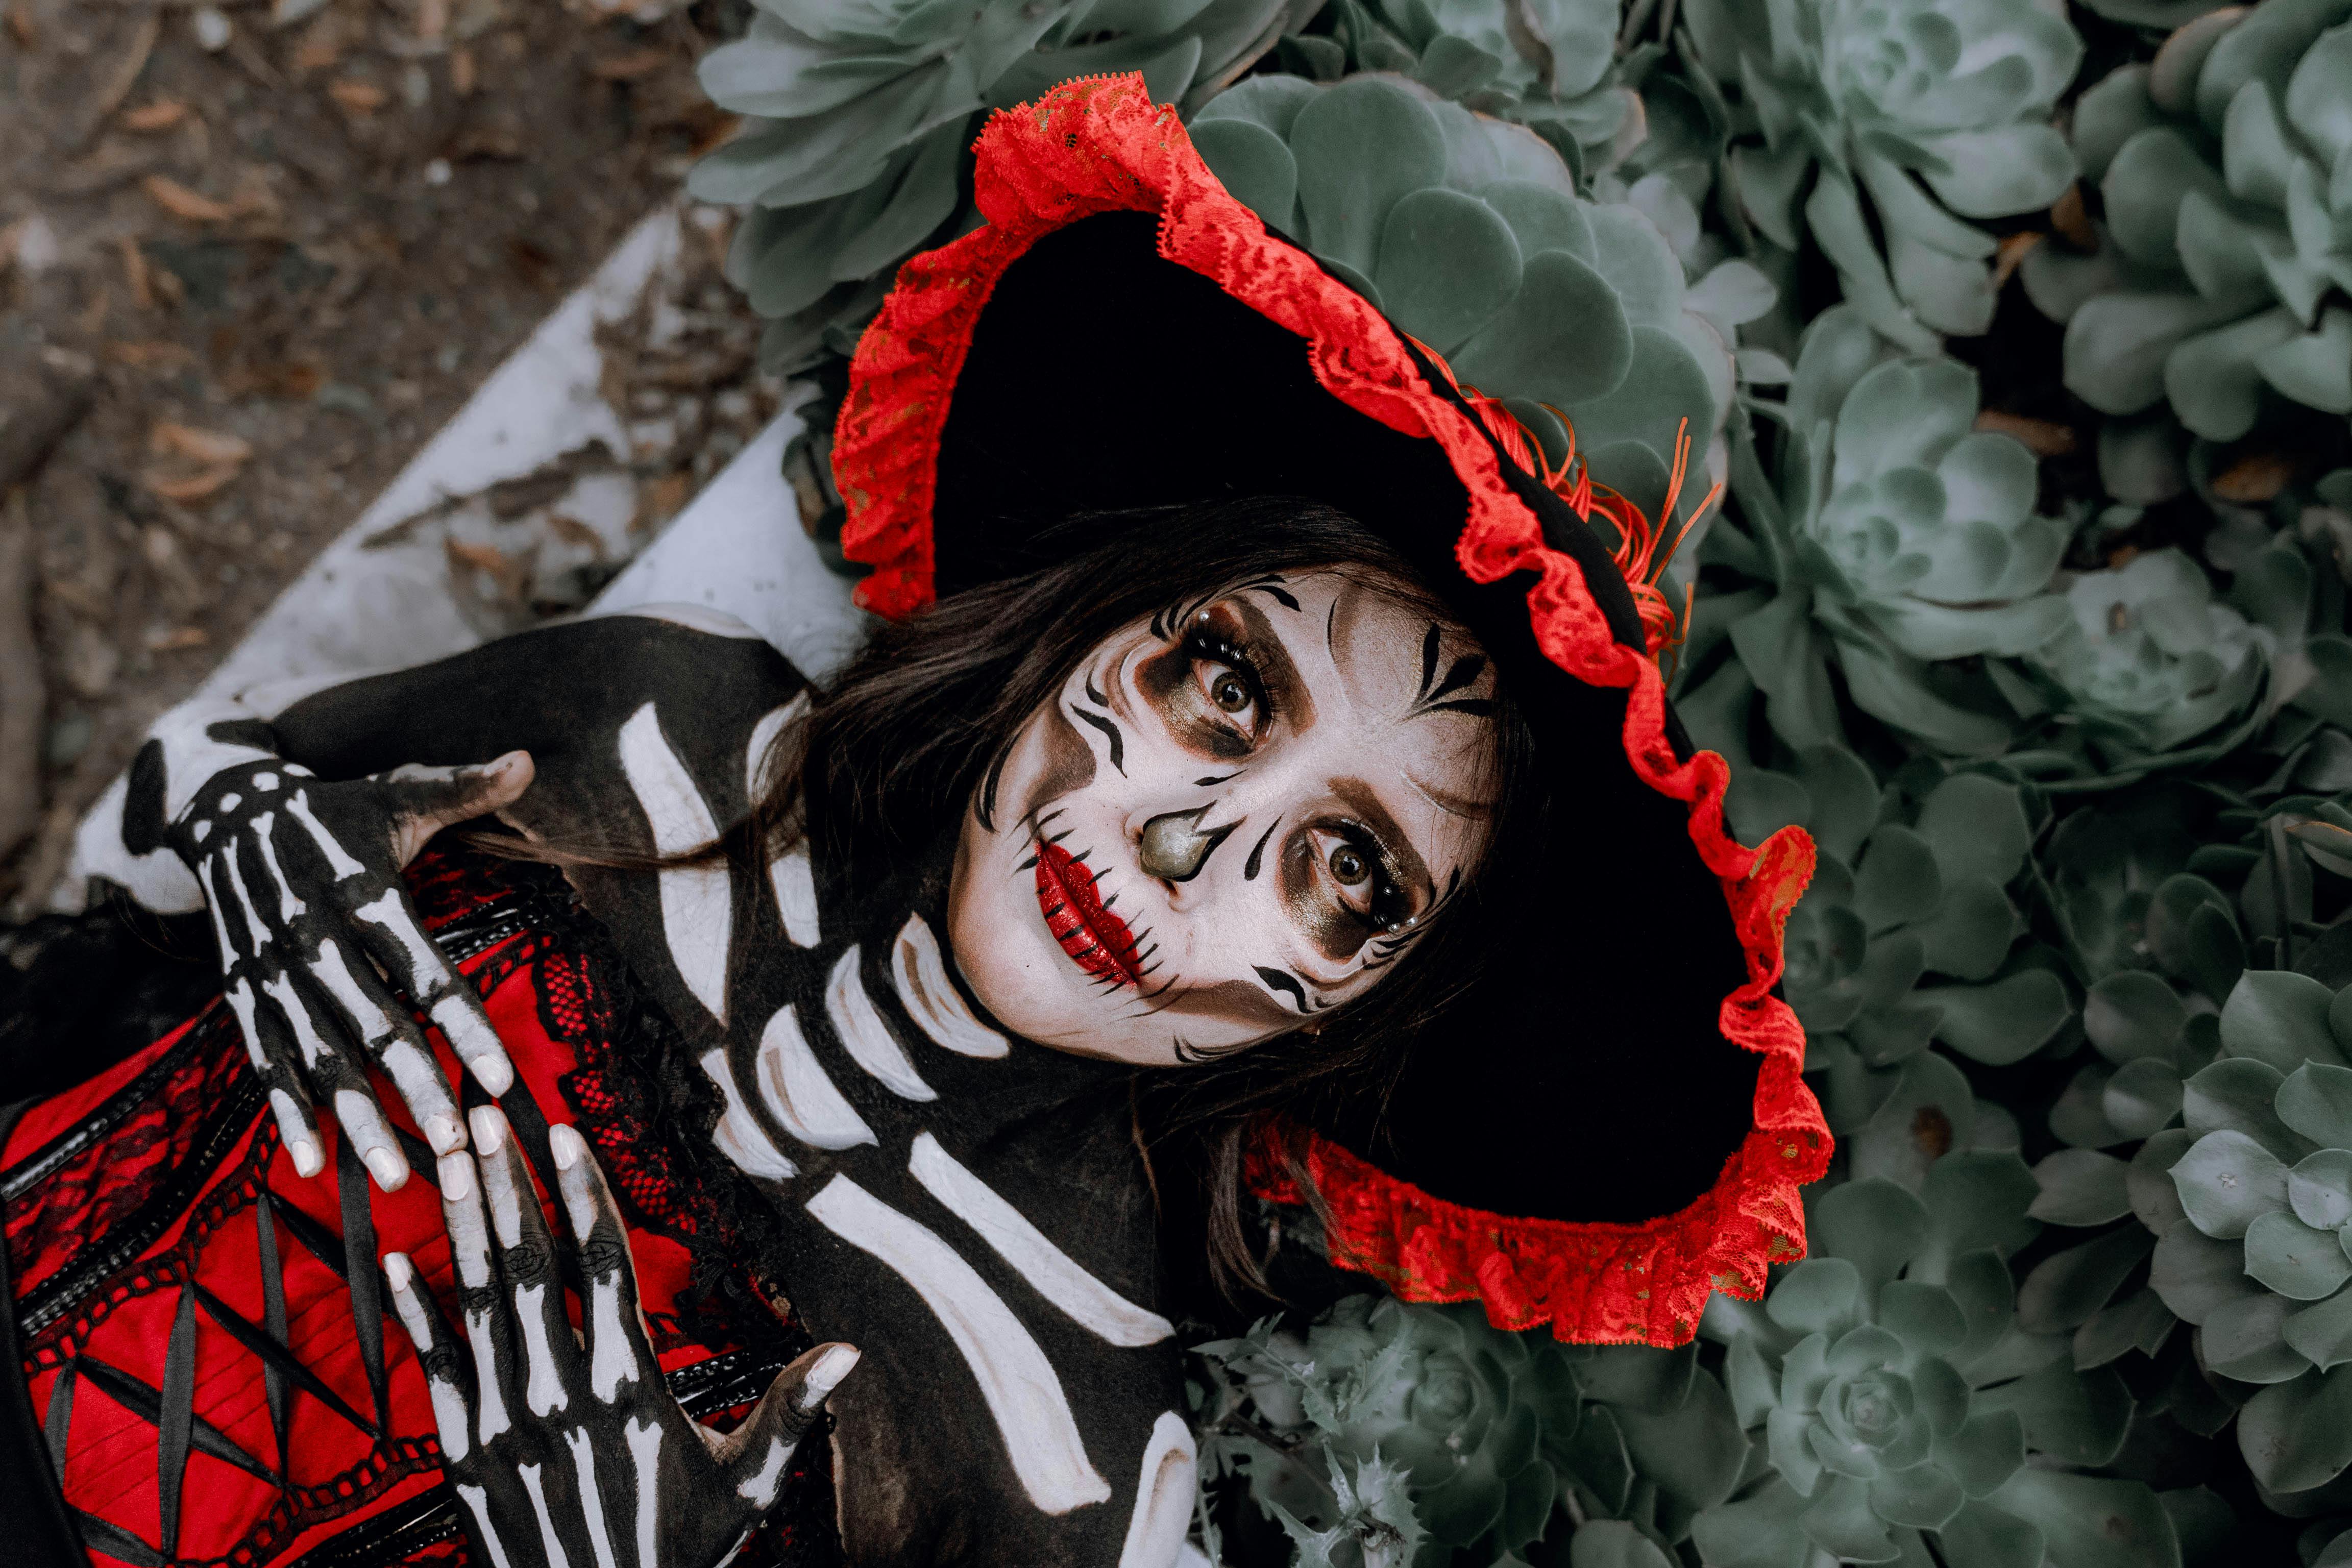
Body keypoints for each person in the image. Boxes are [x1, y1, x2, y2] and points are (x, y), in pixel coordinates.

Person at [1, 74, 1826, 1568]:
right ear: (1093, 613)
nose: (1186, 849)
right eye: (1222, 685)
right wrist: (267, 843)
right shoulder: (659, 737)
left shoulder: (1074, 1459)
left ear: (1379, 1007)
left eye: (1352, 870)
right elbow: (195, 785)